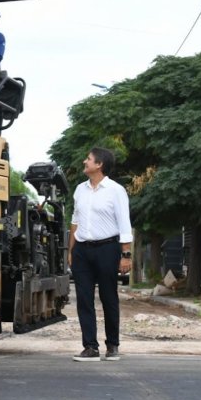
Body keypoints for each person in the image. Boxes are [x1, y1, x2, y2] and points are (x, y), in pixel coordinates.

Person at [68, 147, 133, 361]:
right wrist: (71, 250)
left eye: (89, 159)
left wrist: (126, 255)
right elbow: (75, 222)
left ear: (99, 165)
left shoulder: (115, 190)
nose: (85, 161)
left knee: (108, 297)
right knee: (84, 299)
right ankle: (90, 347)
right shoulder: (80, 189)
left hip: (107, 249)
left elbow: (124, 222)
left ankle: (112, 345)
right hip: (82, 251)